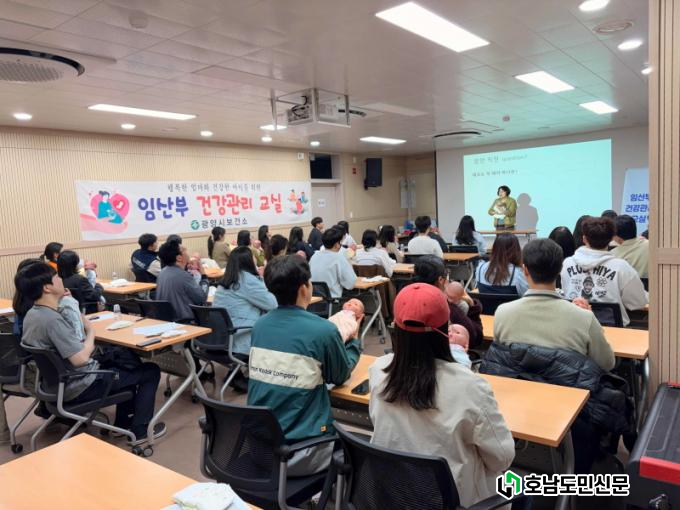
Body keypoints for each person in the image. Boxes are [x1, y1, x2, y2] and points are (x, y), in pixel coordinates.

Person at [369, 283, 514, 507]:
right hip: (455, 501)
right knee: (514, 485)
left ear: (395, 327)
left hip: (396, 493)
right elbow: (502, 458)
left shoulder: (378, 370)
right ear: (446, 328)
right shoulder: (470, 386)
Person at [18, 262, 165, 444]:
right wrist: (91, 331)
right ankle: (141, 431)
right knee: (150, 371)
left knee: (126, 363)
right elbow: (80, 358)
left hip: (56, 384)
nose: (61, 279)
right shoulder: (52, 320)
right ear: (47, 288)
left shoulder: (33, 314)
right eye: (56, 277)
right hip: (82, 385)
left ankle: (123, 424)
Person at [248, 255, 361, 476]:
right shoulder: (324, 330)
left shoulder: (259, 326)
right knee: (358, 448)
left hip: (259, 450)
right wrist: (354, 342)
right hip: (301, 453)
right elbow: (340, 376)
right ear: (303, 288)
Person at [495, 239, 615, 370]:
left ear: (525, 270)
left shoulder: (502, 313)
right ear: (560, 270)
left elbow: (499, 357)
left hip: (518, 381)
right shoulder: (584, 318)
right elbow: (607, 363)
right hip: (570, 383)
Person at [561, 216, 648, 326]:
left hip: (575, 326)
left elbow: (566, 293)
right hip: (613, 329)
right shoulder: (621, 267)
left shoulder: (567, 264)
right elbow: (637, 303)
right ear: (611, 239)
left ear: (584, 239)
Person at [212, 246, 277, 392]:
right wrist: (262, 279)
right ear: (248, 261)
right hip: (239, 336)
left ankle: (236, 374)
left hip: (219, 337)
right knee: (276, 325)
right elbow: (272, 304)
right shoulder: (247, 280)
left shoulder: (226, 280)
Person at [413, 255, 484, 348]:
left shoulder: (405, 299)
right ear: (440, 280)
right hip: (441, 354)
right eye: (446, 275)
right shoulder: (447, 308)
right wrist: (472, 305)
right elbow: (476, 338)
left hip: (412, 353)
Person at [156, 240, 207, 321]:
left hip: (167, 318)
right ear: (179, 258)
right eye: (185, 250)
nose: (187, 252)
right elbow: (202, 298)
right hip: (185, 320)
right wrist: (204, 276)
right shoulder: (183, 276)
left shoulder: (162, 272)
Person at [309, 227, 357, 298]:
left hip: (315, 300)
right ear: (336, 244)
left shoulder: (314, 256)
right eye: (340, 242)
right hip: (333, 301)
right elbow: (350, 284)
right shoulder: (338, 258)